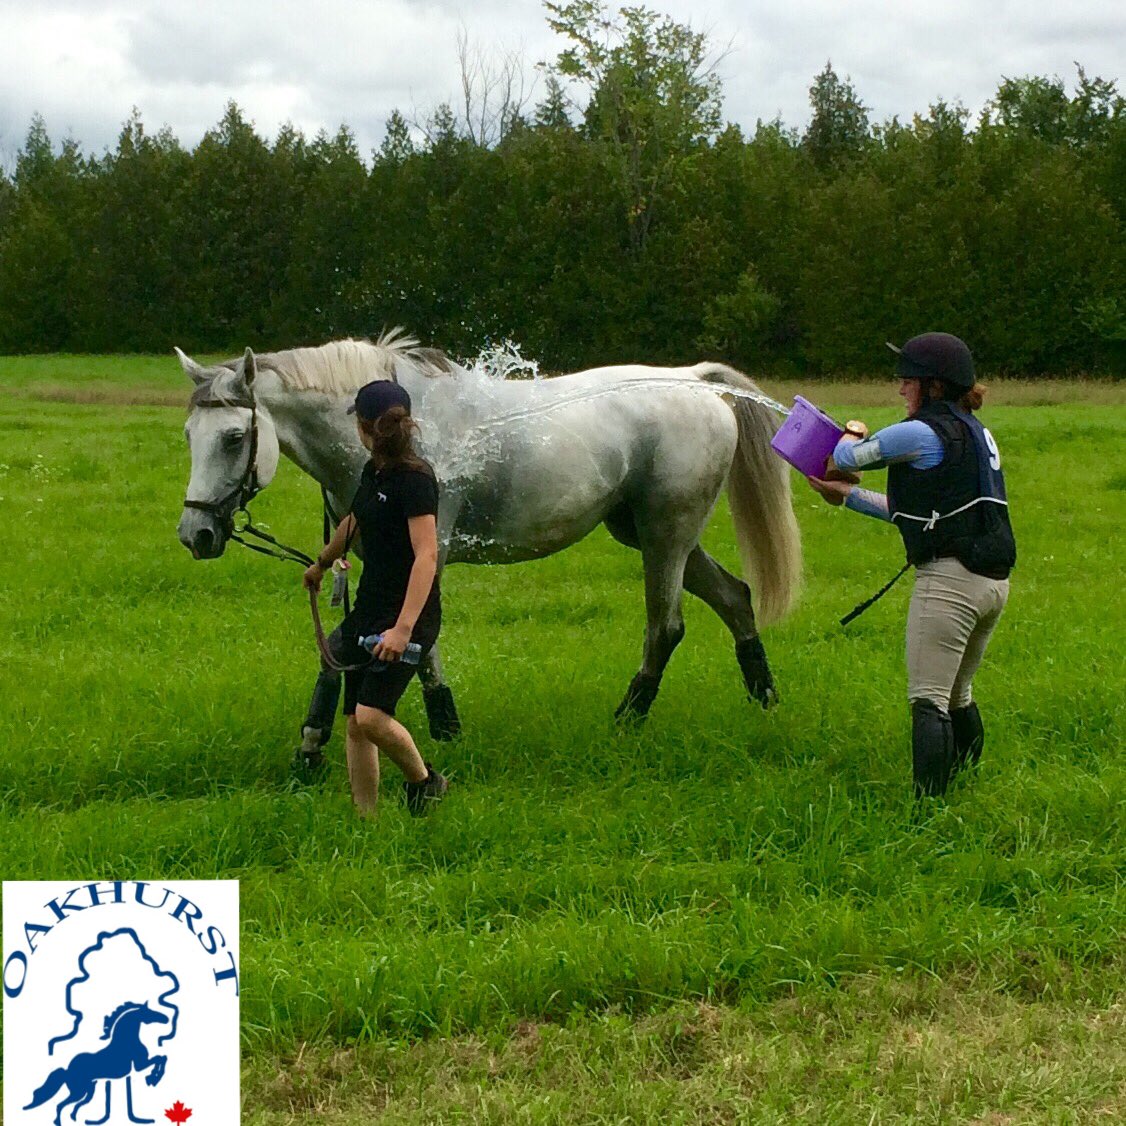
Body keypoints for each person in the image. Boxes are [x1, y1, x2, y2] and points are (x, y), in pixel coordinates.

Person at [808, 332, 1016, 798]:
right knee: (958, 695)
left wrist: (854, 431)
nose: (900, 388)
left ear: (933, 386)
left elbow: (843, 457)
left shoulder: (921, 431)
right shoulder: (974, 432)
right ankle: (964, 788)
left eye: (908, 380)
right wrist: (848, 497)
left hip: (949, 583)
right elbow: (927, 515)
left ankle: (928, 812)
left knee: (928, 702)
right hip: (992, 585)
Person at [302, 380, 449, 816]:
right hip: (370, 607)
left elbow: (427, 556)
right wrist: (323, 562)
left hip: (408, 616)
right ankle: (365, 820)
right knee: (355, 724)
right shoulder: (375, 470)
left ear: (365, 428)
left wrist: (402, 630)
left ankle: (426, 781)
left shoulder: (416, 480)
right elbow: (356, 519)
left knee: (370, 716)